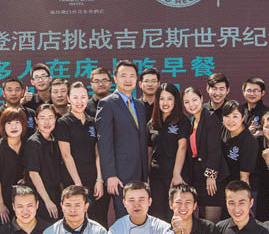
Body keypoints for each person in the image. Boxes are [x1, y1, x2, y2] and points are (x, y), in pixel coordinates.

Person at [96, 60, 149, 218]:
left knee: (139, 215)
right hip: (120, 174)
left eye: (132, 76)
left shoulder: (139, 105)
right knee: (123, 215)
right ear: (115, 79)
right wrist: (110, 175)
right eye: (123, 75)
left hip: (139, 172)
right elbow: (104, 142)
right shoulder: (107, 104)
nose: (128, 79)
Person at [56, 81, 110, 225]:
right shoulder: (63, 123)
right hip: (73, 181)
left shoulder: (92, 121)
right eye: (75, 97)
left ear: (88, 97)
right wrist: (78, 185)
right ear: (68, 99)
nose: (79, 101)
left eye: (83, 97)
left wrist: (99, 179)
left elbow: (98, 152)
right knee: (76, 221)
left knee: (99, 220)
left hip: (94, 181)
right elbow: (66, 156)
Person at [183, 86, 228, 222]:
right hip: (198, 176)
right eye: (186, 102)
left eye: (194, 100)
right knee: (203, 219)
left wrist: (211, 175)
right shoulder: (192, 121)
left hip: (212, 177)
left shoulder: (210, 117)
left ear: (202, 99)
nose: (191, 105)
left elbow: (215, 149)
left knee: (212, 220)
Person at [147, 83, 190, 220]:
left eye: (169, 99)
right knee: (157, 213)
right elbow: (149, 151)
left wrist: (176, 174)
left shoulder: (183, 121)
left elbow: (182, 147)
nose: (165, 103)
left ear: (176, 101)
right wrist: (147, 175)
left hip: (176, 176)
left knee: (175, 213)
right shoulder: (152, 123)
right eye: (162, 99)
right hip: (156, 176)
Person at [0, 107, 28, 228]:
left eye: (17, 123)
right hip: (0, 197)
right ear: (3, 126)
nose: (13, 127)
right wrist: (0, 204)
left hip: (20, 198)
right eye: (9, 124)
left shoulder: (28, 144)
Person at [25, 104, 66, 224]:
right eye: (42, 118)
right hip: (41, 196)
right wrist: (47, 201)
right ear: (36, 120)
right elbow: (33, 174)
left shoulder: (54, 140)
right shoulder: (33, 142)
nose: (47, 122)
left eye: (50, 117)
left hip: (55, 193)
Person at [221, 100, 258, 186]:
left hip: (240, 185)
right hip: (223, 182)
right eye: (227, 116)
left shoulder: (249, 142)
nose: (231, 121)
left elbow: (244, 177)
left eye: (235, 116)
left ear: (242, 118)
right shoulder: (223, 129)